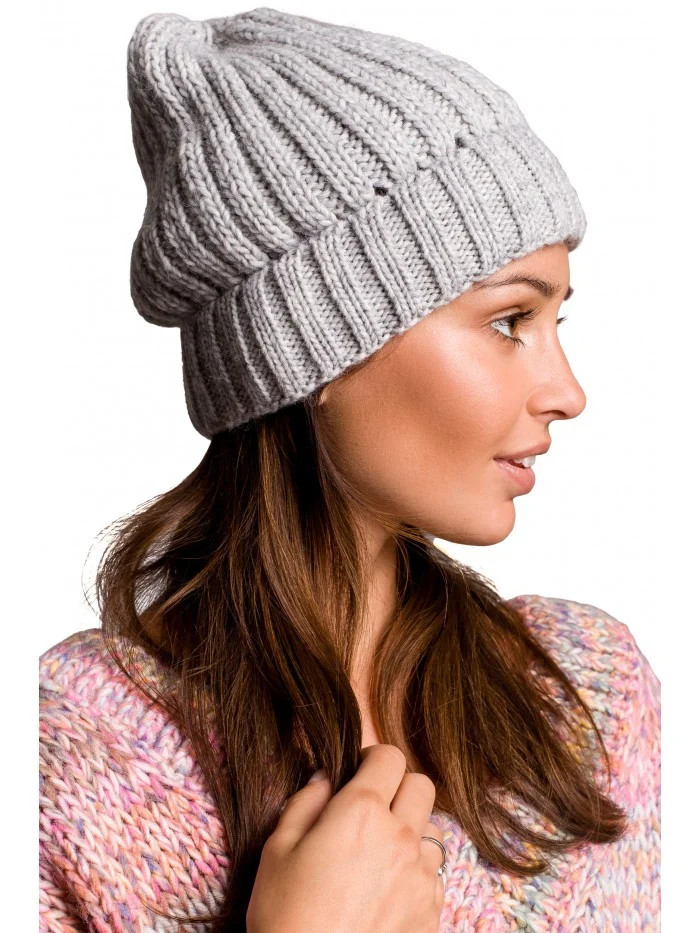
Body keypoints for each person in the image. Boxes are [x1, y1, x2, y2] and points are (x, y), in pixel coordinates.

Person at [39, 7, 660, 932]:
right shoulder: (68, 759)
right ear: (315, 352)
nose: (568, 393)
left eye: (555, 321)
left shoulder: (588, 693)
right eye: (509, 322)